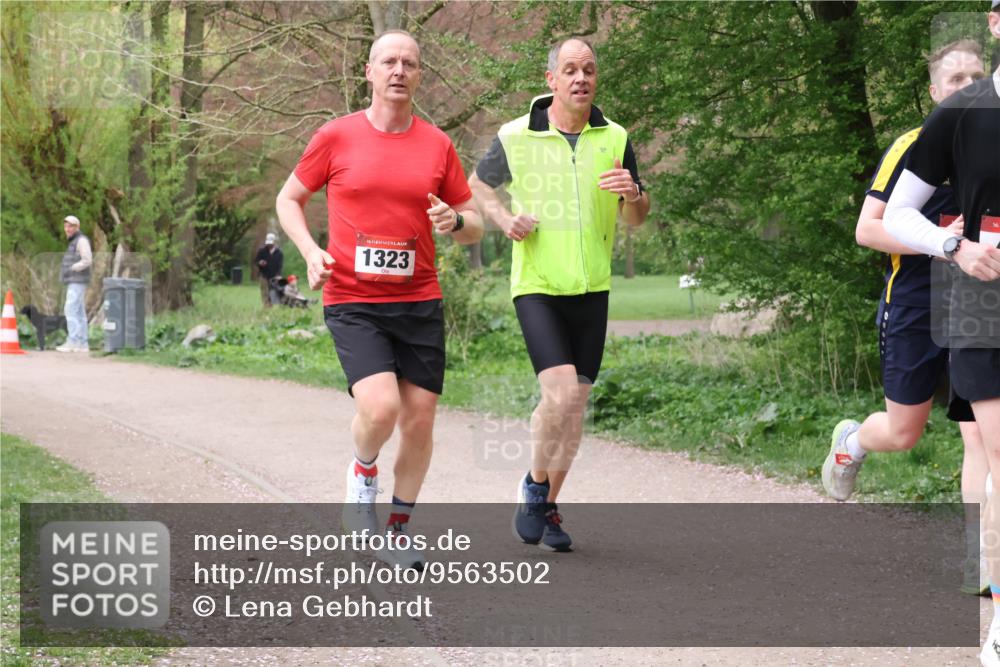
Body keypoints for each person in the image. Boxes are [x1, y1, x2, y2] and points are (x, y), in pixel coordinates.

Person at [275, 30, 482, 570]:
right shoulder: (336, 137)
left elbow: (473, 226)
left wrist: (455, 220)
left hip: (418, 299)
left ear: (418, 76)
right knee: (382, 407)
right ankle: (362, 474)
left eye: (409, 63)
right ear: (368, 72)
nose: (398, 70)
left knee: (419, 419)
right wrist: (310, 249)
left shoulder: (437, 144)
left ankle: (397, 528)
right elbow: (289, 198)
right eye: (388, 61)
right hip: (353, 298)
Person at [469, 37, 650, 552]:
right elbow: (477, 187)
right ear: (551, 80)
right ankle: (534, 483)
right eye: (569, 69)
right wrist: (505, 218)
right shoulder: (517, 135)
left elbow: (637, 216)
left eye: (589, 69)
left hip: (593, 287)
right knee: (562, 395)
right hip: (539, 286)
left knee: (574, 405)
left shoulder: (615, 138)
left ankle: (546, 506)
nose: (580, 78)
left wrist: (633, 195)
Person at [821, 40, 988, 592]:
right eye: (955, 80)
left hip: (979, 303)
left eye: (976, 77)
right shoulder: (914, 146)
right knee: (903, 431)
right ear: (936, 93)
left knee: (979, 437)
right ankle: (853, 441)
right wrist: (945, 241)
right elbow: (868, 228)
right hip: (917, 300)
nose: (967, 88)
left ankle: (980, 559)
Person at [881, 6, 1000, 664]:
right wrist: (954, 244)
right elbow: (896, 213)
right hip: (980, 298)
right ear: (995, 21)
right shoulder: (960, 112)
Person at [57, 214, 91, 353]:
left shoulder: (81, 240)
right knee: (78, 311)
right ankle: (82, 343)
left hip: (77, 280)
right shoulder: (74, 241)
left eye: (71, 226)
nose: (68, 229)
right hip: (75, 281)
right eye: (66, 226)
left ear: (77, 227)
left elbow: (87, 260)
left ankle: (73, 341)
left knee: (70, 309)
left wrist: (72, 268)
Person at [255, 232, 284, 307]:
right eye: (268, 243)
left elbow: (280, 265)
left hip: (274, 276)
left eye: (271, 243)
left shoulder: (279, 253)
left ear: (274, 242)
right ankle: (267, 307)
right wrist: (260, 262)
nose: (269, 245)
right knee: (265, 292)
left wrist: (279, 275)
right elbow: (256, 261)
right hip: (263, 275)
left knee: (273, 292)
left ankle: (273, 306)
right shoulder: (261, 251)